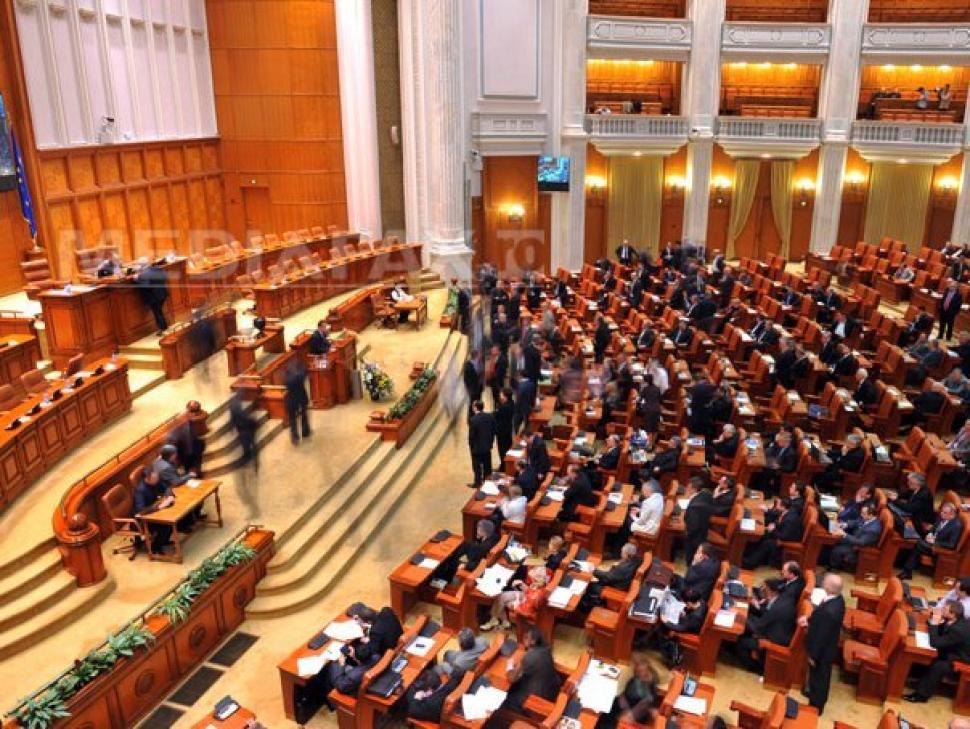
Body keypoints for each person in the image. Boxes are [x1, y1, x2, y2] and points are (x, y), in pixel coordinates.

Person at [905, 600, 970, 703]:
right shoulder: (953, 620)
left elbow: (935, 643)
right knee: (925, 657)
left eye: (944, 609)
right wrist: (933, 621)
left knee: (939, 665)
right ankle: (914, 678)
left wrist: (934, 623)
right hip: (952, 650)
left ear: (952, 614)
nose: (941, 610)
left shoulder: (958, 630)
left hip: (961, 659)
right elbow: (940, 630)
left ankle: (921, 695)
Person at [800, 573, 845, 714]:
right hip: (827, 645)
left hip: (822, 652)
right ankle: (813, 697)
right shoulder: (838, 599)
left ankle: (816, 707)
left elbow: (821, 636)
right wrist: (809, 620)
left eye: (825, 581)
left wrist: (813, 656)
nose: (823, 581)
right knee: (817, 677)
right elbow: (819, 619)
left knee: (819, 679)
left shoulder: (830, 612)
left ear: (829, 588)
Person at [736, 578, 797, 671]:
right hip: (776, 631)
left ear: (770, 591)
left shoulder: (776, 608)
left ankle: (755, 668)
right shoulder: (780, 599)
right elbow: (764, 616)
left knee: (741, 641)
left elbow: (758, 628)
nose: (761, 590)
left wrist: (742, 619)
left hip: (773, 641)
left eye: (764, 588)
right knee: (748, 619)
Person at [898, 501, 964, 580]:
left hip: (939, 549)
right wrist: (929, 534)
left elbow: (951, 545)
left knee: (918, 544)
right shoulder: (942, 516)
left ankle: (906, 570)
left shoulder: (956, 526)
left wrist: (935, 542)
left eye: (945, 513)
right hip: (931, 541)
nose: (942, 514)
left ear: (952, 515)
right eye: (942, 511)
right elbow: (933, 528)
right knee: (916, 542)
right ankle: (906, 570)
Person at [502, 627, 561, 713]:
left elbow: (511, 678)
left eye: (526, 638)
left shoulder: (530, 657)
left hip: (537, 699)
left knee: (505, 695)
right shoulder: (547, 649)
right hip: (551, 690)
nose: (523, 640)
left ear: (533, 641)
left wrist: (509, 666)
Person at [481, 564, 548, 631]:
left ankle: (497, 620)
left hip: (524, 607)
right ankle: (503, 621)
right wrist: (522, 585)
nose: (531, 579)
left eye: (533, 579)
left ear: (537, 579)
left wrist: (517, 603)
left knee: (501, 600)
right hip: (524, 597)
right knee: (501, 596)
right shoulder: (537, 585)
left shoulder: (537, 594)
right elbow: (529, 591)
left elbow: (527, 609)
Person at [432, 519, 500, 584]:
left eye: (478, 529)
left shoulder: (483, 547)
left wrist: (466, 565)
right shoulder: (494, 536)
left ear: (484, 532)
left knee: (451, 563)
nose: (477, 530)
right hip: (478, 555)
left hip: (475, 565)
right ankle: (453, 555)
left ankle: (445, 578)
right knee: (466, 544)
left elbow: (479, 563)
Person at [600, 655, 660, 728]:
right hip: (623, 709)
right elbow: (624, 695)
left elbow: (644, 705)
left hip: (630, 716)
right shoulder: (635, 680)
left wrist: (630, 714)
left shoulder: (650, 688)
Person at [827, 502, 882, 570]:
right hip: (853, 539)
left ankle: (834, 567)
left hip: (857, 549)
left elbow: (860, 542)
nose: (861, 515)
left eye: (863, 514)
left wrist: (844, 534)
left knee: (837, 549)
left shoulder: (873, 529)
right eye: (861, 512)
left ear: (871, 515)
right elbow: (857, 522)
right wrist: (845, 524)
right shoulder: (867, 518)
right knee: (834, 540)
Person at [132, 465, 173, 554]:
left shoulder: (155, 481)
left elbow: (167, 488)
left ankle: (163, 542)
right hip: (141, 520)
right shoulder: (140, 491)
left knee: (171, 517)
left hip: (154, 513)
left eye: (157, 477)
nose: (157, 480)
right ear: (147, 479)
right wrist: (159, 507)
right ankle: (155, 547)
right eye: (155, 478)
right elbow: (141, 510)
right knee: (166, 525)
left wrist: (169, 496)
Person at [683, 479, 714, 566]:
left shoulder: (694, 507)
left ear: (693, 489)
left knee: (691, 556)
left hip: (695, 537)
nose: (686, 489)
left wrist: (686, 532)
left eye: (688, 487)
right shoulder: (706, 494)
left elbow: (693, 526)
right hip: (704, 528)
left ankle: (690, 565)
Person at [468, 400, 496, 487]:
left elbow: (471, 436)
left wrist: (471, 446)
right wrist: (491, 442)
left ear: (475, 407)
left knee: (477, 467)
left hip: (477, 448)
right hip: (487, 446)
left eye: (473, 406)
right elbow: (493, 430)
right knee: (487, 465)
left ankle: (478, 482)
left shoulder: (473, 420)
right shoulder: (489, 416)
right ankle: (488, 481)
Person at [137, 260, 170, 334]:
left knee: (157, 312)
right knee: (159, 311)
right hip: (162, 293)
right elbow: (165, 277)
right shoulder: (157, 269)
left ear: (141, 266)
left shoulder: (143, 275)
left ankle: (161, 329)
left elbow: (145, 287)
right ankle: (164, 326)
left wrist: (137, 279)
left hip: (154, 297)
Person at [229, 394, 259, 471]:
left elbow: (233, 419)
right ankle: (251, 460)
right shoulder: (244, 417)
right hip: (248, 434)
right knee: (250, 446)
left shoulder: (239, 416)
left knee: (247, 447)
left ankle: (248, 459)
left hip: (245, 434)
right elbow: (254, 424)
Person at [284, 360, 311, 444]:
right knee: (303, 414)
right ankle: (305, 431)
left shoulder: (287, 378)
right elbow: (305, 372)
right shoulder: (300, 376)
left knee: (293, 419)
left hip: (291, 400)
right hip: (301, 398)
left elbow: (286, 383)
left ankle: (295, 437)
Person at [494, 387, 515, 461]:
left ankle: (503, 464)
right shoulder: (512, 403)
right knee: (508, 446)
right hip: (508, 429)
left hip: (502, 431)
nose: (500, 395)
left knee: (502, 449)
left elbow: (497, 415)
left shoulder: (503, 407)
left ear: (505, 396)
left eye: (501, 394)